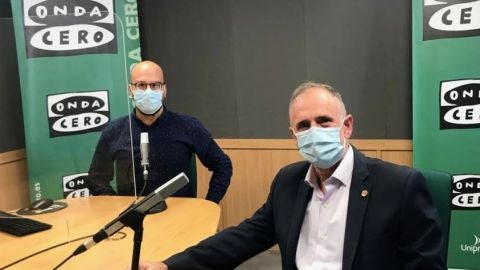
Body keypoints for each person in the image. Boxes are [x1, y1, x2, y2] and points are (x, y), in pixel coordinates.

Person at [135, 82, 445, 270]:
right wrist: (169, 265)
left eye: (324, 121)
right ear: (293, 135)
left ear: (347, 126)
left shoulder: (399, 186)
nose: (314, 131)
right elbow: (243, 237)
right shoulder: (288, 181)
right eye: (304, 125)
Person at [87, 61, 232, 204]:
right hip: (132, 218)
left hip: (179, 218)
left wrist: (209, 203)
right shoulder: (114, 131)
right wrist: (117, 208)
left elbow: (222, 165)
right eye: (141, 85)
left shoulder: (188, 126)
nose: (148, 91)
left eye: (155, 85)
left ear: (164, 90)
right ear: (130, 90)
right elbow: (96, 178)